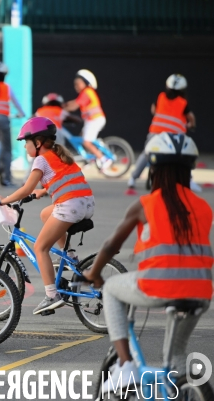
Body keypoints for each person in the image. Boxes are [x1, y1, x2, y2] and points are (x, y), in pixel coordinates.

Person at [82, 133, 212, 393]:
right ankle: (187, 389)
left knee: (110, 289)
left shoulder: (145, 204)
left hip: (158, 285)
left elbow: (110, 245)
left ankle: (126, 364)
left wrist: (93, 273)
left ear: (154, 170)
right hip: (201, 291)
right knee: (176, 359)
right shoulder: (203, 206)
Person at [0, 117, 94, 315]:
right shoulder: (58, 155)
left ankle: (51, 295)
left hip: (70, 206)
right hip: (87, 204)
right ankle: (71, 257)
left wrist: (4, 200)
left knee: (40, 247)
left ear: (37, 143)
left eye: (26, 143)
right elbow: (65, 181)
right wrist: (43, 192)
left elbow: (25, 189)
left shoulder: (41, 159)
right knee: (45, 214)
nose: (24, 148)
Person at [127, 74, 201, 193]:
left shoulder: (161, 97)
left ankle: (132, 178)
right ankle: (189, 181)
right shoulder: (182, 102)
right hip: (175, 136)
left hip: (156, 132)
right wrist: (191, 125)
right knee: (183, 157)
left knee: (146, 154)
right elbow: (190, 117)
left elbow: (153, 110)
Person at [63, 69, 111, 168]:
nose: (76, 86)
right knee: (82, 137)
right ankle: (91, 158)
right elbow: (74, 102)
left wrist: (60, 109)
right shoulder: (84, 93)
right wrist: (63, 105)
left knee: (86, 141)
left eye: (78, 83)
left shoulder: (87, 92)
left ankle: (104, 159)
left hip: (95, 120)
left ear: (86, 83)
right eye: (75, 84)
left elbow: (74, 105)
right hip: (91, 120)